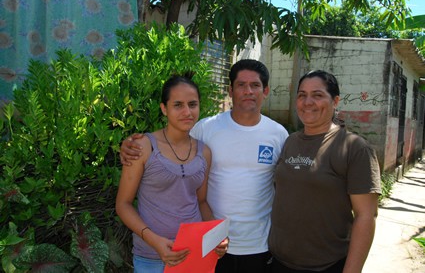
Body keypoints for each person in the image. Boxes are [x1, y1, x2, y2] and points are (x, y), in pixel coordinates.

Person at [120, 59, 289, 273]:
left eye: (255, 85)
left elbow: (291, 184)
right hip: (184, 250)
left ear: (265, 91)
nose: (248, 91)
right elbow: (169, 146)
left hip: (248, 245)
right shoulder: (206, 129)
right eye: (241, 85)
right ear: (230, 90)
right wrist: (129, 147)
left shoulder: (278, 134)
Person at [268, 70, 381, 273]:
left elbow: (366, 216)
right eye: (302, 95)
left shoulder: (354, 148)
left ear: (335, 101)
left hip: (326, 265)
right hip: (278, 261)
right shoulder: (290, 141)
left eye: (317, 95)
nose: (307, 102)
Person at [115, 74, 227, 273]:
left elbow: (201, 202)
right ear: (164, 109)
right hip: (151, 256)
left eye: (192, 104)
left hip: (194, 254)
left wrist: (216, 236)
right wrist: (154, 241)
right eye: (178, 105)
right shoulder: (143, 146)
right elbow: (123, 205)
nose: (187, 112)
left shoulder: (204, 152)